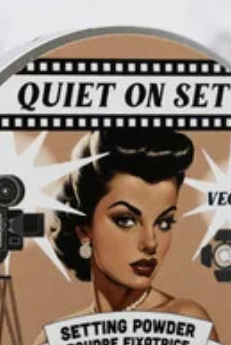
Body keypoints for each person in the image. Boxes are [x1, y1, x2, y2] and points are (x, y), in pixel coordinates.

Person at [48, 128, 214, 325]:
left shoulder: (186, 320)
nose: (150, 243)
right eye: (125, 220)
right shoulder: (54, 337)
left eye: (164, 223)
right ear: (84, 229)